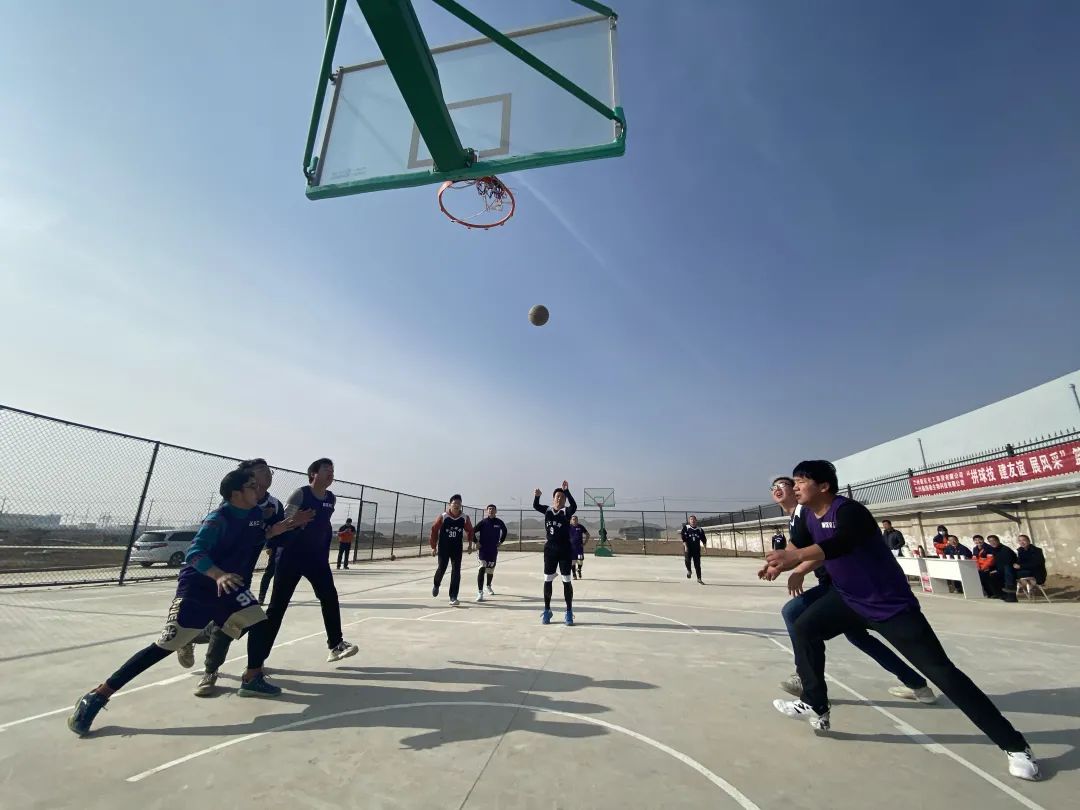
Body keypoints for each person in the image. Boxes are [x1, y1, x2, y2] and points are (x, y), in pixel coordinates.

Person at [765, 460, 1038, 781]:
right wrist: (779, 563)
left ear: (824, 486)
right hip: (848, 599)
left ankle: (1015, 745)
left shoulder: (849, 511)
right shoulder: (808, 515)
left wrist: (796, 558)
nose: (795, 487)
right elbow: (797, 544)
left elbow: (841, 543)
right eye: (793, 481)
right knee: (802, 625)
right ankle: (815, 703)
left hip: (889, 606)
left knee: (944, 674)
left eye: (801, 481)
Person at [67, 470, 282, 736]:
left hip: (230, 588)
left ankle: (251, 678)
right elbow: (195, 553)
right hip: (199, 589)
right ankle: (98, 695)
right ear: (236, 494)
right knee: (165, 646)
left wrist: (278, 529)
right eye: (252, 486)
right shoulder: (218, 518)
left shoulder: (254, 514)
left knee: (259, 622)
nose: (259, 489)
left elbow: (254, 538)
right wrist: (218, 574)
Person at [761, 474, 936, 704]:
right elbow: (795, 549)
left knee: (793, 613)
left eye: (783, 485)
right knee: (859, 637)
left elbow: (828, 548)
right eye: (773, 487)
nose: (777, 489)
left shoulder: (807, 512)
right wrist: (775, 566)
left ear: (796, 489)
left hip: (843, 585)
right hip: (836, 583)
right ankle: (917, 684)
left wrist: (799, 571)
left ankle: (804, 677)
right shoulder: (795, 518)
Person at [194, 458, 314, 697]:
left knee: (236, 623)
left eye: (269, 471)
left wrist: (293, 526)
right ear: (247, 478)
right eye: (260, 471)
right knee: (233, 623)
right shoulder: (236, 502)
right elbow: (227, 538)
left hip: (243, 572)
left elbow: (277, 537)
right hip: (218, 572)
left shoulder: (274, 504)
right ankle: (213, 668)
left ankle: (234, 666)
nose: (267, 474)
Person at [262, 458, 359, 664]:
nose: (331, 473)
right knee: (277, 608)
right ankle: (257, 660)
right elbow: (283, 524)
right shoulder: (300, 494)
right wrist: (296, 522)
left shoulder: (331, 498)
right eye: (326, 469)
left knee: (329, 598)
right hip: (291, 556)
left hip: (316, 559)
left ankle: (336, 645)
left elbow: (323, 525)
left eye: (333, 470)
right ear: (313, 474)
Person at [534, 480, 577, 625]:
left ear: (565, 500)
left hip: (565, 550)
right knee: (547, 580)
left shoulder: (566, 512)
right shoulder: (547, 510)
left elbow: (574, 506)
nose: (560, 499)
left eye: (562, 497)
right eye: (557, 496)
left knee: (566, 581)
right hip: (550, 550)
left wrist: (567, 491)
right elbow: (536, 506)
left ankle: (569, 611)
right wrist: (537, 496)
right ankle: (547, 610)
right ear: (553, 499)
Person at [430, 495, 474, 607]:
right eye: (455, 503)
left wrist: (470, 545)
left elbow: (470, 531)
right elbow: (434, 530)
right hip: (444, 547)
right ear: (450, 504)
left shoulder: (464, 518)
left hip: (457, 548)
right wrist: (433, 547)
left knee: (456, 571)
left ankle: (453, 596)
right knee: (442, 567)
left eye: (459, 503)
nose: (457, 505)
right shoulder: (443, 516)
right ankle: (436, 584)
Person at [473, 504, 507, 600]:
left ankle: (488, 586)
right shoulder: (483, 522)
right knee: (482, 568)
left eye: (493, 509)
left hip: (493, 550)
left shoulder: (499, 522)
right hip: (483, 550)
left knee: (490, 570)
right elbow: (472, 531)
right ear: (487, 511)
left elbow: (505, 531)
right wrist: (476, 542)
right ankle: (480, 592)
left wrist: (501, 541)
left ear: (496, 511)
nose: (491, 510)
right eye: (489, 509)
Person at [980, 535, 1019, 602]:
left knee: (1005, 572)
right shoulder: (993, 550)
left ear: (998, 540)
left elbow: (1007, 563)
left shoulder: (1005, 549)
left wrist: (997, 570)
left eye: (994, 540)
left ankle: (1011, 596)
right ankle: (999, 594)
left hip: (1010, 569)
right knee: (986, 574)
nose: (992, 542)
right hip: (1001, 569)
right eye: (990, 541)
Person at [680, 515, 707, 583]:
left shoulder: (699, 529)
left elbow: (703, 539)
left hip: (696, 549)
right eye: (691, 519)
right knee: (687, 560)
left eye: (694, 519)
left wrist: (705, 548)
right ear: (689, 521)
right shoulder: (686, 528)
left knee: (697, 564)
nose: (693, 521)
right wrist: (686, 547)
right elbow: (683, 538)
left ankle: (699, 578)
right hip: (688, 548)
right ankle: (689, 571)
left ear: (696, 521)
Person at [569, 515, 590, 580]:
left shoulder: (580, 527)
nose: (574, 520)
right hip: (571, 548)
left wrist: (585, 543)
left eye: (576, 519)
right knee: (572, 561)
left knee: (580, 561)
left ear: (577, 520)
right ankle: (574, 574)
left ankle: (579, 569)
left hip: (579, 548)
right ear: (571, 520)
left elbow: (588, 535)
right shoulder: (568, 527)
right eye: (573, 519)